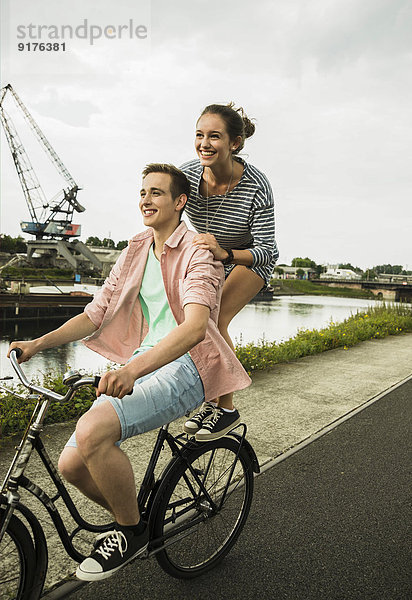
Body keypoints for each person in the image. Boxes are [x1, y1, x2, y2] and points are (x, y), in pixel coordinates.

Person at [8, 164, 251, 582]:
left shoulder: (199, 252)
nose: (146, 199)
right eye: (142, 192)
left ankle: (127, 532)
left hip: (187, 365)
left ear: (179, 202)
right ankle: (136, 518)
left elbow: (195, 327)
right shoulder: (136, 248)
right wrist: (38, 344)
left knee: (92, 432)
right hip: (145, 359)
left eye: (157, 193)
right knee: (72, 466)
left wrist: (132, 370)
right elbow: (95, 312)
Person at [180, 102, 279, 435]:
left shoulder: (257, 185)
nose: (204, 144)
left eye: (214, 137)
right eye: (199, 135)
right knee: (193, 321)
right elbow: (168, 215)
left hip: (248, 259)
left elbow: (268, 249)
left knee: (216, 318)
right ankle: (209, 400)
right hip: (212, 258)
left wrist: (226, 253)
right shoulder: (187, 176)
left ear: (235, 143)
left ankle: (226, 409)